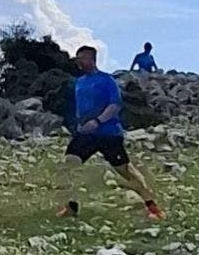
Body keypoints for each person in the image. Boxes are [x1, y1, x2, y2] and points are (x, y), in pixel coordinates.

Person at [58, 45, 165, 220]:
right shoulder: (80, 82)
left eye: (82, 58)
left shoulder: (107, 80)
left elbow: (115, 105)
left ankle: (152, 206)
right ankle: (72, 207)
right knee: (69, 164)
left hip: (108, 134)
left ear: (92, 60)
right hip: (86, 134)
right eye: (78, 59)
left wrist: (98, 121)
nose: (79, 62)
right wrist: (78, 125)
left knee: (126, 171)